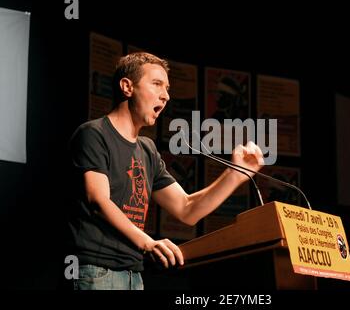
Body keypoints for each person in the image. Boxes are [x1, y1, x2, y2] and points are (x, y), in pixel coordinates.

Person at [66, 52, 264, 290]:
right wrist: (148, 243)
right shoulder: (94, 134)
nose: (166, 95)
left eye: (167, 88)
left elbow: (186, 209)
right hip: (96, 272)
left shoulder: (147, 149)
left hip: (134, 275)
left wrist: (236, 175)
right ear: (127, 87)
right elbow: (98, 200)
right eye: (157, 84)